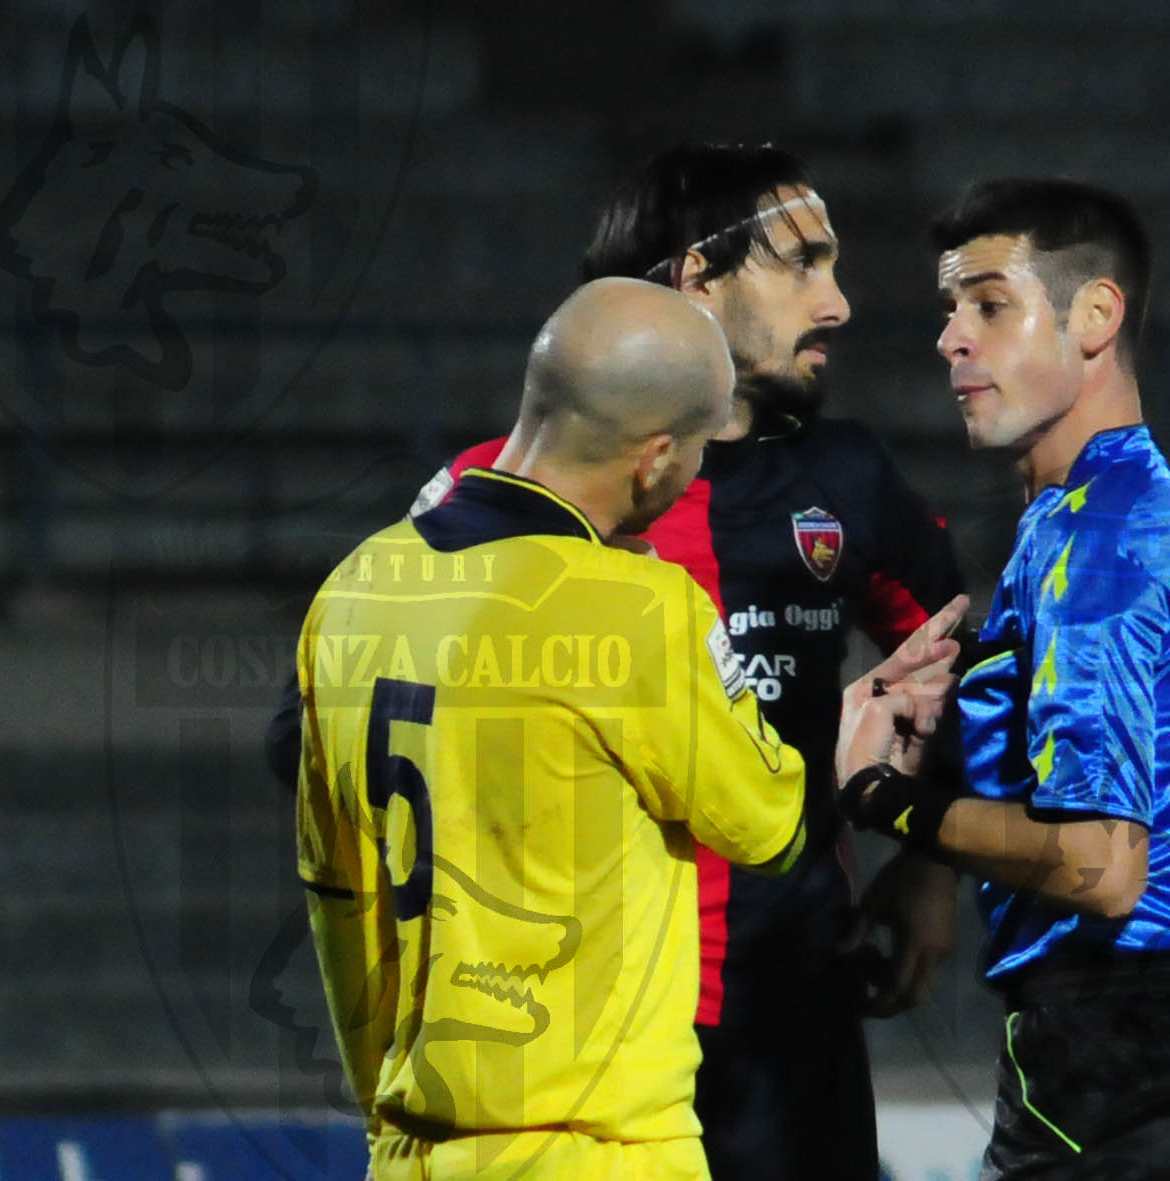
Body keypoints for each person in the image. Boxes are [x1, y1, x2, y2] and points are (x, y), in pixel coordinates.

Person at [402, 142, 967, 1180]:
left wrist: (929, 862)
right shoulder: (496, 495)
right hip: (574, 1043)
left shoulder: (843, 477)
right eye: (801, 264)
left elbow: (963, 665)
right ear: (696, 280)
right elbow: (341, 728)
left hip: (790, 1011)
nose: (838, 305)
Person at [831, 179, 1170, 1178]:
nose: (950, 339)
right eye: (947, 310)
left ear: (1094, 315)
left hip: (1134, 1055)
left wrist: (880, 799)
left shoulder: (1101, 535)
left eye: (988, 305)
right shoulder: (1086, 516)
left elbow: (1099, 865)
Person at [299, 278, 802, 1179]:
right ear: (655, 459)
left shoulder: (353, 587)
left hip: (412, 1150)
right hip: (597, 1152)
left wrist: (388, 1119)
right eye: (694, 452)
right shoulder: (637, 609)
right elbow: (769, 825)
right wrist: (858, 749)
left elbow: (339, 895)